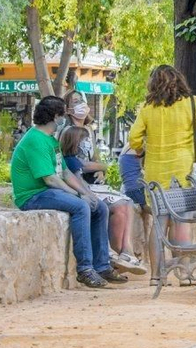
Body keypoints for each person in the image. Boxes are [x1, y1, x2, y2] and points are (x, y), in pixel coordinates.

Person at [12, 95, 123, 289]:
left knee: (100, 208)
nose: (63, 119)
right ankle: (85, 269)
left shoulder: (50, 141)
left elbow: (65, 172)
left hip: (48, 190)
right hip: (33, 195)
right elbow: (49, 178)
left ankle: (102, 265)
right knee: (81, 207)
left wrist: (87, 192)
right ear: (55, 116)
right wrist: (78, 196)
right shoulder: (35, 140)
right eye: (62, 115)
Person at [62, 94, 147, 274]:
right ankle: (113, 254)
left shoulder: (88, 130)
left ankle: (126, 251)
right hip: (80, 184)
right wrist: (102, 166)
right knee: (115, 206)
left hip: (94, 181)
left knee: (126, 204)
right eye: (75, 102)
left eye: (82, 100)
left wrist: (100, 169)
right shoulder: (69, 132)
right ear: (68, 109)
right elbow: (74, 163)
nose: (82, 105)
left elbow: (94, 158)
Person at [127, 65, 196, 190]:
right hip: (186, 170)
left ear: (153, 84)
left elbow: (133, 138)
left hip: (155, 174)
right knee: (189, 208)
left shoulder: (146, 107)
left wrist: (141, 153)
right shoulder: (193, 102)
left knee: (158, 208)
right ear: (180, 81)